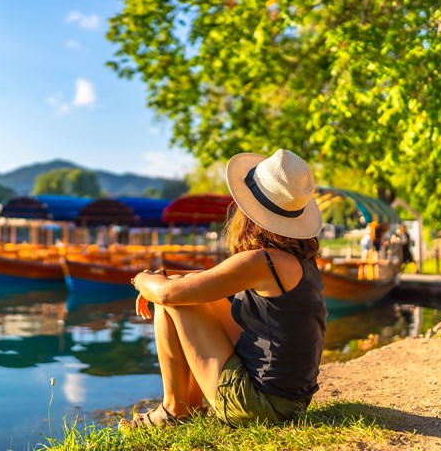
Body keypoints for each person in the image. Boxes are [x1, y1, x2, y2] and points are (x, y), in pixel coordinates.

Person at [120, 149, 327, 429]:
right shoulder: (298, 261)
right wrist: (166, 277)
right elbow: (211, 279)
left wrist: (142, 279)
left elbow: (166, 294)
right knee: (184, 289)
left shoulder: (262, 261)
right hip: (290, 400)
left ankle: (173, 410)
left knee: (174, 299)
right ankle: (187, 406)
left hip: (260, 406)